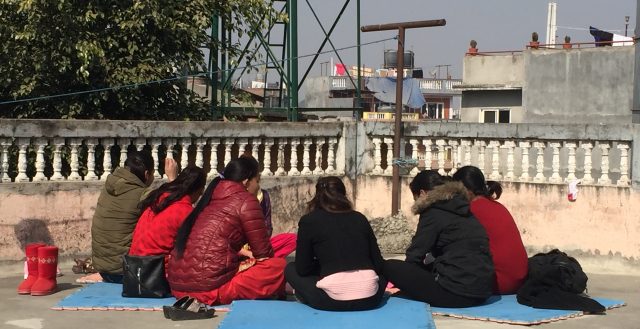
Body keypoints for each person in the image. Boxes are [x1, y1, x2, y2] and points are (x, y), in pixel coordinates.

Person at [167, 156, 286, 305]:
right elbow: (264, 255)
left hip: (177, 286)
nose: (258, 186)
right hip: (207, 289)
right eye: (257, 181)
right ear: (246, 182)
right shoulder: (246, 200)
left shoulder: (210, 197)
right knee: (279, 267)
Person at [383, 170, 494, 308]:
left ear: (423, 193)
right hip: (482, 293)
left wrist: (406, 281)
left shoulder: (432, 212)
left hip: (457, 294)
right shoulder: (462, 208)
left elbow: (414, 256)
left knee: (389, 266)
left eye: (415, 197)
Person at [285, 176, 386, 311]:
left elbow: (303, 268)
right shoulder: (359, 218)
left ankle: (303, 294)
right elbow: (378, 264)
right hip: (370, 299)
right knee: (386, 270)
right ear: (344, 195)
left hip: (331, 301)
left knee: (290, 269)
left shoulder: (309, 221)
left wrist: (324, 265)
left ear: (317, 197)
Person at [83, 150, 177, 283]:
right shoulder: (141, 194)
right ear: (146, 174)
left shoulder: (109, 186)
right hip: (125, 270)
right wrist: (173, 179)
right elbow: (175, 207)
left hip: (103, 269)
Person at [452, 166, 528, 294]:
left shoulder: (471, 209)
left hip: (499, 283)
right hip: (519, 280)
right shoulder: (497, 206)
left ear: (466, 190)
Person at [129, 166, 206, 264]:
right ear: (199, 190)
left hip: (133, 264)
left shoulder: (158, 198)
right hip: (155, 269)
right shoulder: (185, 211)